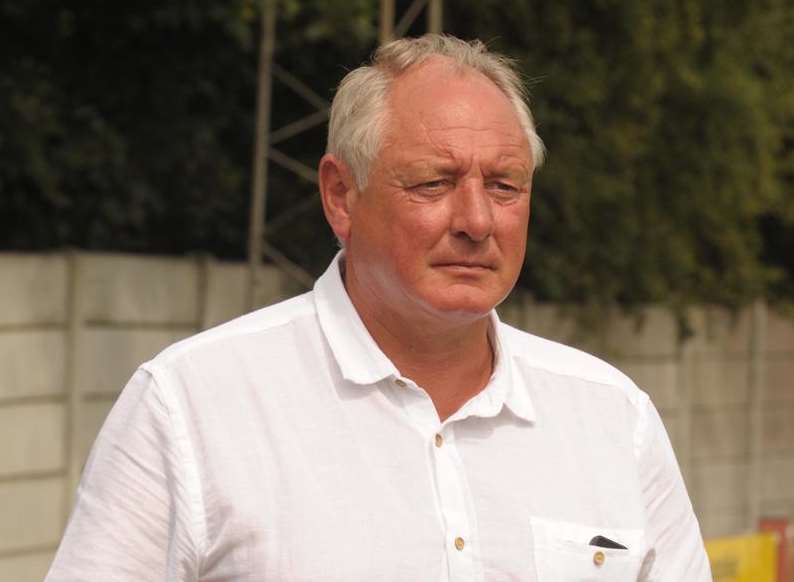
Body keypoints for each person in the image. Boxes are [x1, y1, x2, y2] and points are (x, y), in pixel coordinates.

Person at [46, 34, 711, 581]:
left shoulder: (611, 419)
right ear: (341, 196)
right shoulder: (191, 405)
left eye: (505, 186)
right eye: (434, 183)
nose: (477, 220)